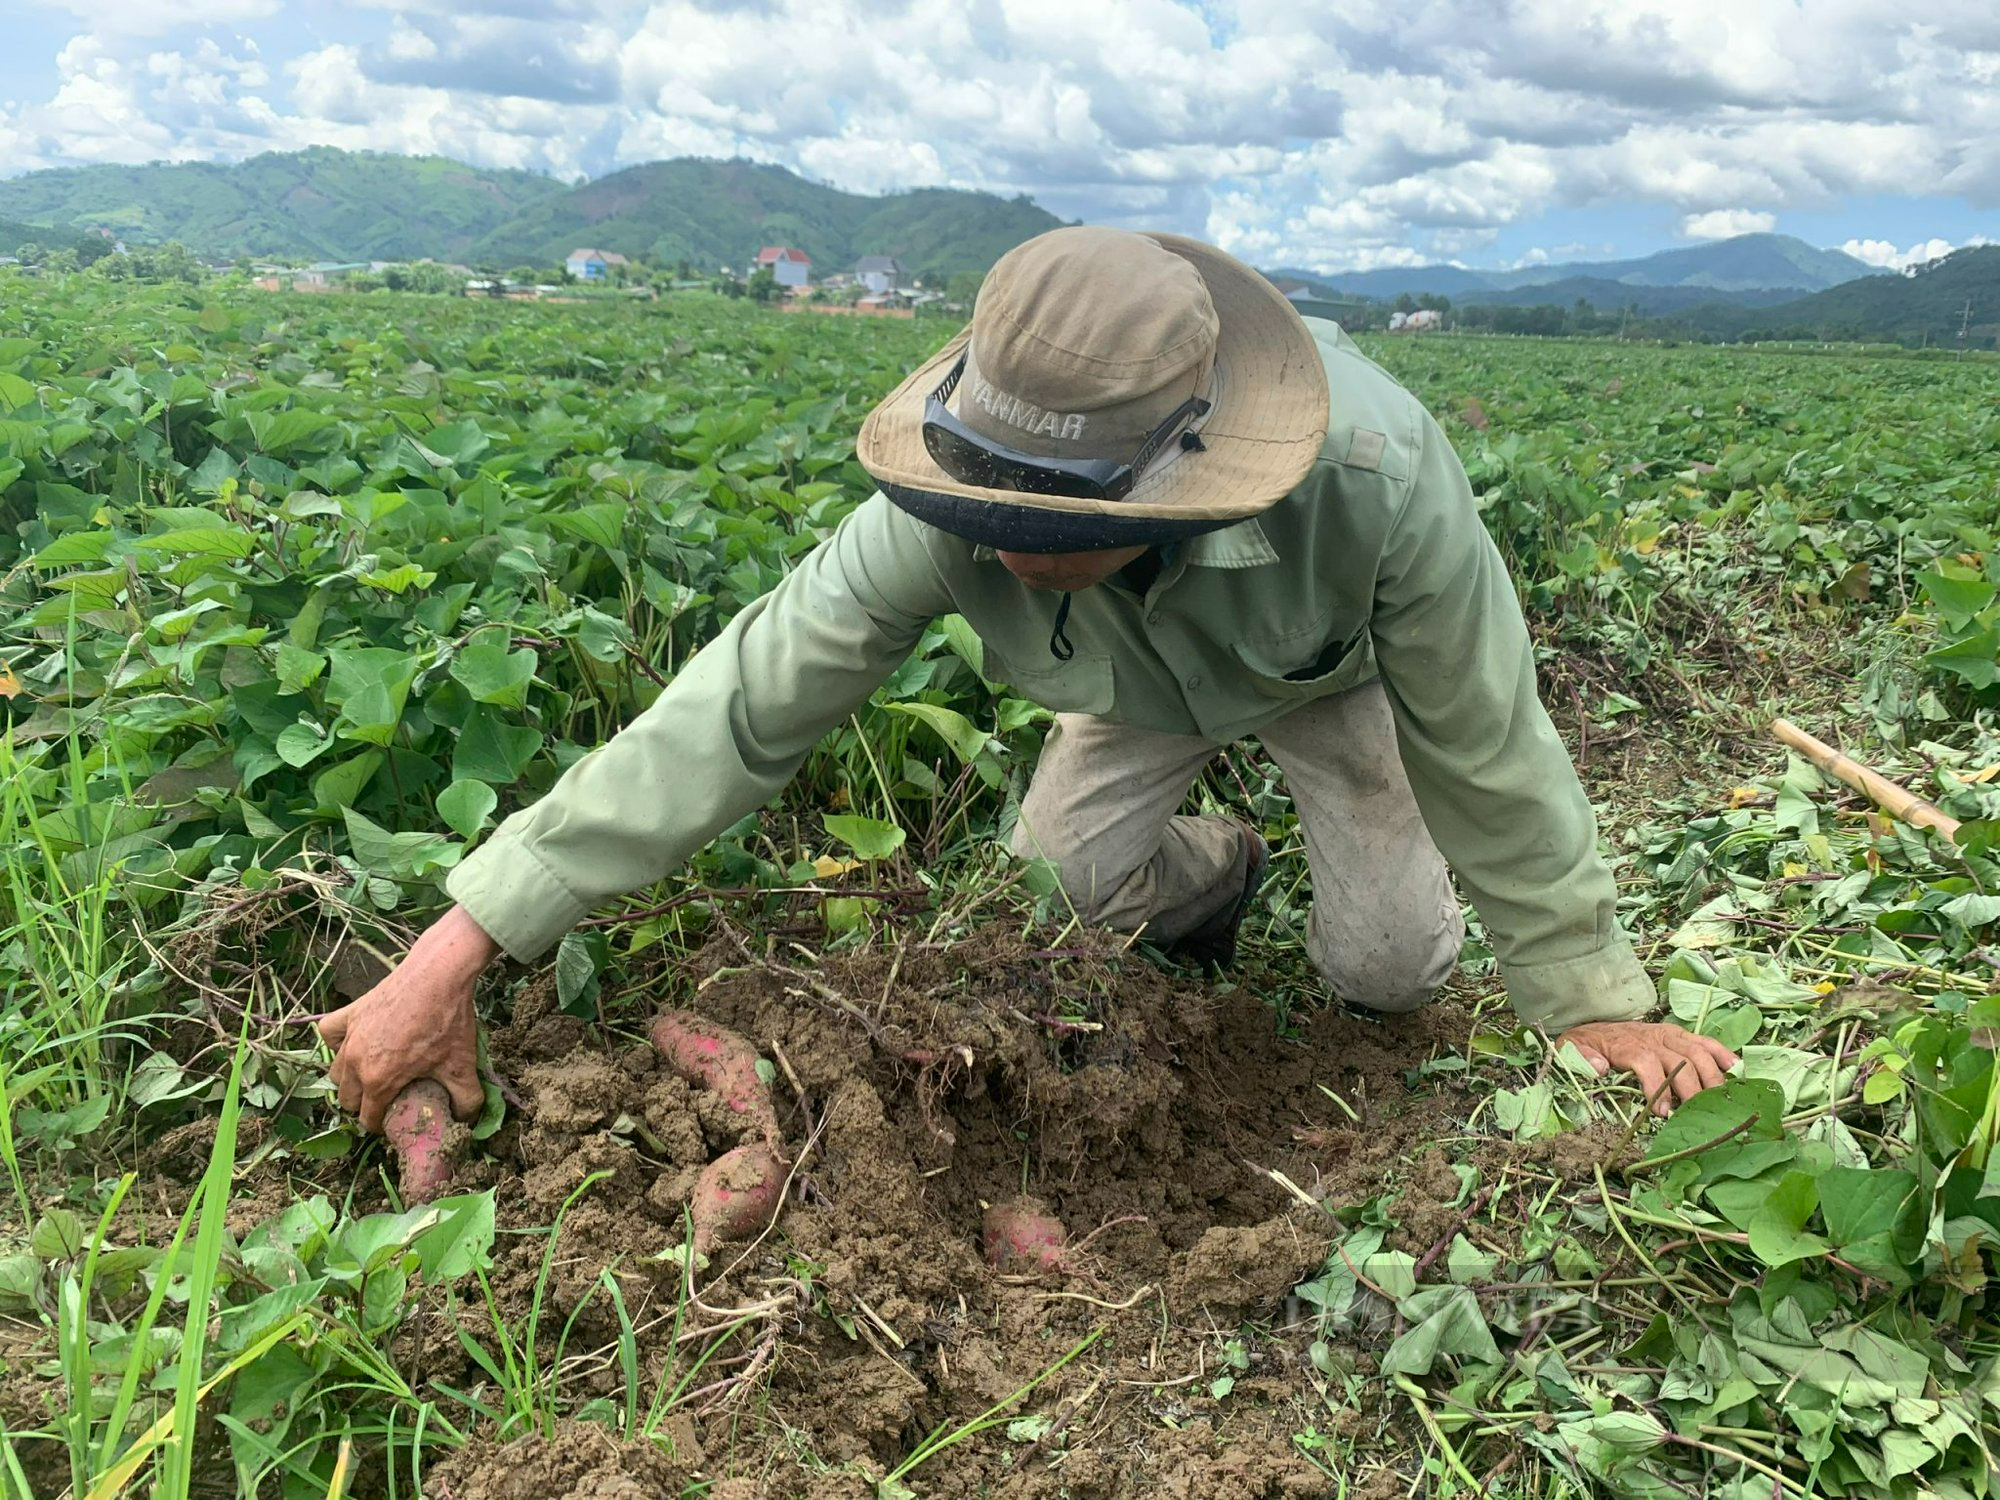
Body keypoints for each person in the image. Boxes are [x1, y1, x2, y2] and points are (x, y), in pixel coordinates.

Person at [320, 227, 1737, 1132]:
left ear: (1183, 465)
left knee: (1390, 970)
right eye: (992, 514)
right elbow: (741, 706)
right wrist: (457, 951)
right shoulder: (952, 505)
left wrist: (1583, 990)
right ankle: (1218, 869)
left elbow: (1484, 733)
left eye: (1058, 524)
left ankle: (1336, 891)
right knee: (1054, 904)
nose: (1012, 549)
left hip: (1323, 673)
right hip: (1124, 686)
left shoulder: (1372, 481)